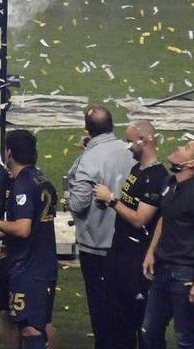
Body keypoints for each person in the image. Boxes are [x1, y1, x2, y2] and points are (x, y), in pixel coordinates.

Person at [0, 129, 58, 349]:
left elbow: (23, 229)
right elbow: (37, 224)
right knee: (35, 322)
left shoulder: (22, 184)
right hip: (42, 263)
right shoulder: (42, 180)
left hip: (30, 268)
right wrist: (3, 234)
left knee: (31, 328)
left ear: (9, 153)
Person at [64, 104, 134, 348]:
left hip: (97, 246)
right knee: (127, 313)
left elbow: (78, 203)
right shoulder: (130, 151)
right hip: (130, 245)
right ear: (112, 125)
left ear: (87, 129)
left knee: (102, 313)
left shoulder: (89, 159)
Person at [90, 119, 165, 348]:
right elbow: (129, 205)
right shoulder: (137, 169)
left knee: (136, 320)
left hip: (136, 259)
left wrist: (111, 200)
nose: (127, 146)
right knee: (116, 316)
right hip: (120, 252)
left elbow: (140, 219)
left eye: (130, 141)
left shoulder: (157, 178)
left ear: (145, 141)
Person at [140, 135, 194, 348]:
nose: (180, 146)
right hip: (162, 268)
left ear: (190, 164)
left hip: (185, 274)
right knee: (150, 330)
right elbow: (165, 217)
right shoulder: (170, 182)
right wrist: (151, 251)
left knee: (186, 338)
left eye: (187, 147)